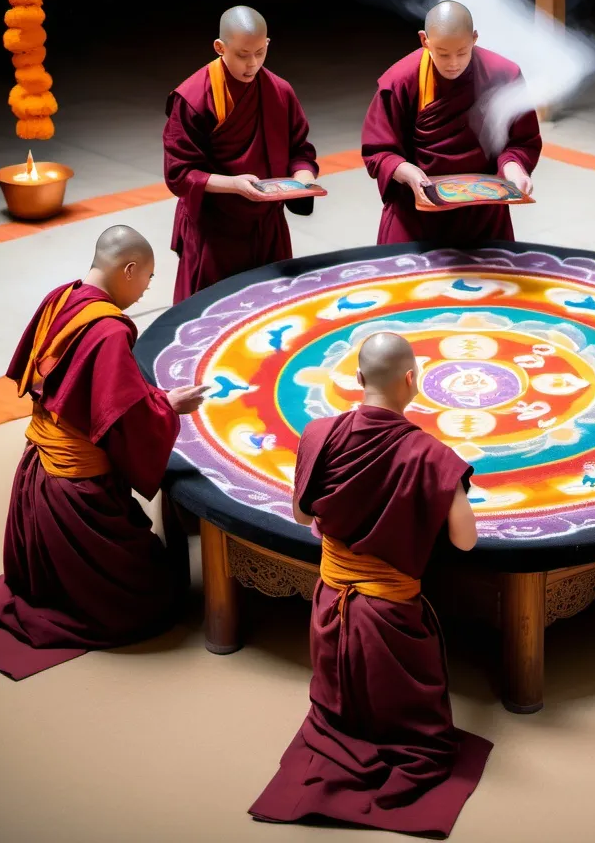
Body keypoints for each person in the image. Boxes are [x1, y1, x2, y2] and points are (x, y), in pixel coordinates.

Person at [250, 332, 492, 838]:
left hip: (330, 608)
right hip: (390, 619)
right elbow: (466, 542)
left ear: (358, 379)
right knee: (416, 732)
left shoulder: (319, 434)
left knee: (339, 712)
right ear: (413, 381)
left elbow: (300, 514)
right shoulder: (430, 455)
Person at [0, 227, 208, 678]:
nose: (147, 287)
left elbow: (67, 383)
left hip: (40, 463)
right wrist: (168, 405)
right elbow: (122, 419)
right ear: (127, 269)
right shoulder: (107, 330)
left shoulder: (60, 299)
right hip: (73, 484)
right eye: (146, 277)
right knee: (156, 597)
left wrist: (150, 397)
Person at [163, 5, 319, 303]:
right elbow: (180, 174)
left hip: (267, 223)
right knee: (213, 314)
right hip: (216, 228)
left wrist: (303, 176)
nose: (252, 64)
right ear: (220, 47)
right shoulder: (194, 97)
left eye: (260, 53)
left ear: (268, 43)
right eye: (242, 55)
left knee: (269, 311)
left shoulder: (280, 91)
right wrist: (233, 184)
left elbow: (300, 148)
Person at [361, 0, 541, 246]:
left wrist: (513, 167)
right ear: (425, 40)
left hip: (483, 208)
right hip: (418, 207)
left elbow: (523, 140)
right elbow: (378, 150)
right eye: (443, 54)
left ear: (475, 38)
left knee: (491, 281)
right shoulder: (400, 81)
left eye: (462, 52)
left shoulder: (504, 75)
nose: (454, 63)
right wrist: (405, 171)